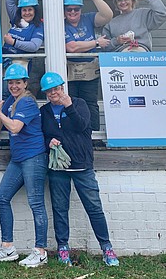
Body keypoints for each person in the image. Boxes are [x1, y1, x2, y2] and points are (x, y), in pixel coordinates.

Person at [39, 71, 119, 267]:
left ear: (62, 88)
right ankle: (63, 247)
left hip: (82, 166)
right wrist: (49, 141)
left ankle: (106, 247)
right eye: (49, 91)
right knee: (59, 209)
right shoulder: (45, 112)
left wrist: (69, 106)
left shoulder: (80, 103)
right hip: (58, 168)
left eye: (56, 89)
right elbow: (42, 134)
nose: (53, 94)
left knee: (94, 208)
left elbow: (83, 126)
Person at [0, 64, 48, 268]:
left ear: (25, 83)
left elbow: (14, 126)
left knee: (36, 203)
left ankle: (40, 252)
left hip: (33, 157)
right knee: (1, 197)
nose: (13, 86)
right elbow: (0, 121)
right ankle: (8, 248)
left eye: (17, 82)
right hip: (18, 158)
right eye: (10, 82)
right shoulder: (12, 100)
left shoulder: (27, 102)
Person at [64, 0, 113, 133]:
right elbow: (72, 47)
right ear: (65, 11)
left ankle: (93, 135)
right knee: (72, 102)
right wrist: (97, 42)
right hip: (70, 70)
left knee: (90, 103)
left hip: (90, 69)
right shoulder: (61, 24)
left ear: (81, 9)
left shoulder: (88, 18)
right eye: (69, 9)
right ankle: (75, 135)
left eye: (76, 9)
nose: (72, 12)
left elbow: (108, 15)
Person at [102, 0, 166, 52]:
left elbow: (163, 14)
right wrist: (117, 41)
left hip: (140, 52)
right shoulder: (111, 24)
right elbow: (105, 46)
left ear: (132, 0)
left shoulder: (143, 14)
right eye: (119, 0)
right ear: (116, 3)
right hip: (121, 56)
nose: (123, 2)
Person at [2, 0, 44, 74]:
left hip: (22, 64)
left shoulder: (38, 26)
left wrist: (13, 42)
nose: (27, 13)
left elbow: (34, 46)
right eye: (24, 10)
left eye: (30, 10)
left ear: (35, 11)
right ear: (20, 11)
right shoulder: (16, 19)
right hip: (5, 62)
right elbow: (9, 1)